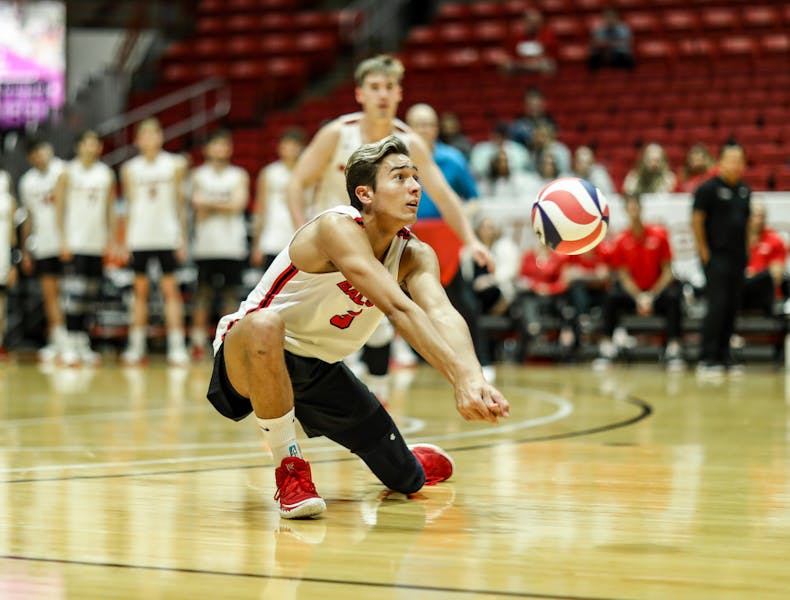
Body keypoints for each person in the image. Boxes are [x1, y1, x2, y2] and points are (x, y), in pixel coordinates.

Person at [207, 136, 510, 519]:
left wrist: (473, 377)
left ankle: (409, 459)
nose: (415, 186)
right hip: (249, 352)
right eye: (399, 177)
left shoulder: (415, 254)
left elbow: (441, 313)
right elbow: (399, 309)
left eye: (416, 177)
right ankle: (290, 471)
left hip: (318, 367)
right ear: (364, 193)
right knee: (265, 323)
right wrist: (458, 379)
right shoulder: (336, 228)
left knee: (407, 481)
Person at [286, 55, 493, 396]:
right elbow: (297, 183)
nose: (382, 94)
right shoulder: (337, 134)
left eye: (389, 87)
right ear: (360, 93)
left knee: (379, 325)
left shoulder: (409, 143)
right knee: (318, 330)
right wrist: (301, 230)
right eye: (375, 87)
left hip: (376, 249)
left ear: (399, 94)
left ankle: (378, 396)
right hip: (328, 250)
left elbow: (443, 195)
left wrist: (471, 239)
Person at [405, 102, 486, 374]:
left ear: (436, 128)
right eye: (418, 124)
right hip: (408, 238)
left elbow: (473, 199)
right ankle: (419, 360)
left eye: (429, 124)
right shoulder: (397, 159)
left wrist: (459, 221)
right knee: (409, 301)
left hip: (446, 239)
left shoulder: (452, 159)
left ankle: (480, 361)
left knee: (459, 300)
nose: (424, 130)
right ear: (407, 127)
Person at [119, 118, 190, 366]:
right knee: (139, 292)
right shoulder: (130, 169)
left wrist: (182, 238)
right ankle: (136, 346)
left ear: (161, 137)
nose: (149, 139)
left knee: (171, 291)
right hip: (139, 237)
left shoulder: (175, 164)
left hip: (167, 236)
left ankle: (177, 345)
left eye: (154, 134)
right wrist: (124, 239)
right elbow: (128, 206)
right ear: (137, 140)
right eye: (144, 135)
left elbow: (180, 204)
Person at [594, 195, 685, 370]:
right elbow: (624, 276)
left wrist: (651, 296)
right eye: (630, 208)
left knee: (674, 297)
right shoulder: (620, 240)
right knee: (611, 297)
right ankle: (607, 347)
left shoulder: (659, 235)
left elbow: (667, 272)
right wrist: (639, 297)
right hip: (635, 294)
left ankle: (674, 348)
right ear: (626, 211)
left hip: (656, 292)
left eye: (636, 207)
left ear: (641, 209)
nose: (634, 212)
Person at [55, 130, 117, 366]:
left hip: (96, 243)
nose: (91, 147)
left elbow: (110, 210)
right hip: (75, 242)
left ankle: (83, 341)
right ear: (79, 146)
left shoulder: (105, 174)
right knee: (74, 294)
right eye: (87, 143)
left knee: (91, 294)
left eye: (95, 143)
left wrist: (111, 239)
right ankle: (69, 342)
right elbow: (59, 209)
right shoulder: (67, 173)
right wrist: (63, 240)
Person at [188, 129, 250, 360]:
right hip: (205, 246)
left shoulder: (238, 175)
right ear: (207, 150)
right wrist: (224, 203)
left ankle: (228, 342)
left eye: (224, 145)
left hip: (232, 246)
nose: (220, 150)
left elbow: (238, 204)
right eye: (216, 145)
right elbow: (196, 204)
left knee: (231, 296)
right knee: (202, 295)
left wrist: (209, 203)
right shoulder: (198, 175)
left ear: (230, 149)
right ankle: (196, 342)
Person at [692, 143, 751, 376]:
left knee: (732, 307)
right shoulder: (707, 189)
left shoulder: (744, 190)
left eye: (739, 160)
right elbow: (696, 220)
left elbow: (745, 225)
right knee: (717, 306)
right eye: (730, 159)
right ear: (721, 162)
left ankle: (725, 356)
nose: (735, 164)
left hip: (738, 259)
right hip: (716, 258)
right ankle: (707, 357)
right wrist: (704, 252)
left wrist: (747, 254)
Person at [18, 137, 68, 362]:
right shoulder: (27, 182)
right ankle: (57, 339)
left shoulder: (64, 171)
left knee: (69, 293)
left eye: (42, 150)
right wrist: (25, 250)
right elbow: (28, 217)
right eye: (35, 153)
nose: (40, 155)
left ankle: (74, 338)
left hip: (67, 242)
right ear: (30, 158)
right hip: (44, 244)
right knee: (50, 294)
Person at [251, 128, 305, 272]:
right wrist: (257, 245)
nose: (291, 149)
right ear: (280, 148)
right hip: (272, 238)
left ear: (302, 148)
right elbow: (260, 208)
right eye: (287, 145)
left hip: (299, 237)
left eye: (295, 145)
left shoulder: (308, 173)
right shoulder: (269, 173)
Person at [503, 8, 557, 74]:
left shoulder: (547, 35)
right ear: (525, 22)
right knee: (507, 65)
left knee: (549, 65)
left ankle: (547, 83)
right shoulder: (516, 35)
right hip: (521, 64)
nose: (534, 25)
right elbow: (510, 54)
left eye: (537, 22)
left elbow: (551, 54)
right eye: (531, 22)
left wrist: (537, 61)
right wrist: (521, 62)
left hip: (539, 64)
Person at [0, 167, 17, 357]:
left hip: (2, 255)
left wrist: (13, 262)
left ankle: (0, 342)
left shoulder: (8, 201)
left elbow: (12, 234)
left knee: (0, 300)